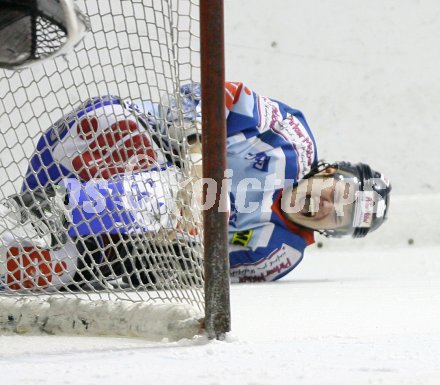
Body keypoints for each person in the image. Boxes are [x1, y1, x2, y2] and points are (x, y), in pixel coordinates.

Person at [0, 82, 391, 290]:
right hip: (105, 136)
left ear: (330, 232)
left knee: (55, 271)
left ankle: (27, 235)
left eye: (338, 219)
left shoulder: (277, 256)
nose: (326, 205)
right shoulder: (291, 139)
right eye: (338, 192)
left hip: (102, 226)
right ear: (328, 170)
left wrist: (169, 255)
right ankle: (54, 210)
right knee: (169, 193)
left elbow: (189, 270)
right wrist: (194, 164)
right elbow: (203, 92)